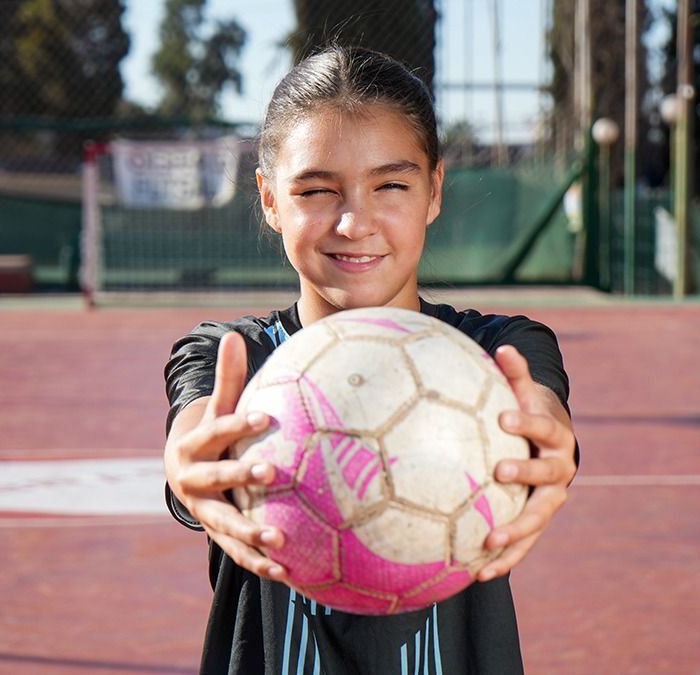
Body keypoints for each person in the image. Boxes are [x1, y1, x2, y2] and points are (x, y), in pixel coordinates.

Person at [163, 45, 578, 674]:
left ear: (434, 189)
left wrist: (549, 452)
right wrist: (188, 467)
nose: (355, 222)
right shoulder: (237, 360)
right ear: (271, 200)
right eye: (317, 190)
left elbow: (541, 414)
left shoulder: (495, 351)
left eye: (390, 184)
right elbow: (194, 430)